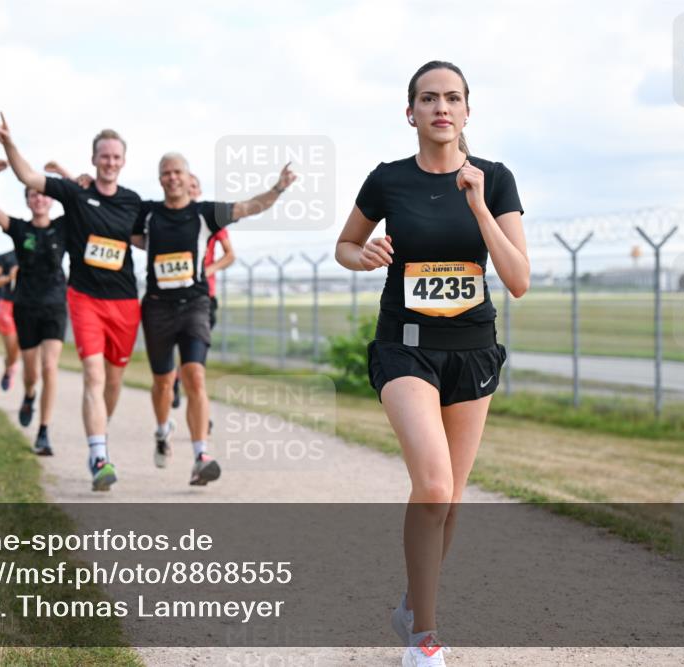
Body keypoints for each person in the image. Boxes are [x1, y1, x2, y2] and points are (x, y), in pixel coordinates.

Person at [334, 61, 528, 667]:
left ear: (467, 111)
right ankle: (425, 636)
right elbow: (344, 245)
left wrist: (477, 209)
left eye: (452, 98)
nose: (440, 107)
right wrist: (361, 255)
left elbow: (518, 278)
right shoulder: (388, 180)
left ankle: (412, 603)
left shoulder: (494, 180)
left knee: (453, 500)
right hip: (405, 344)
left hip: (472, 350)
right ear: (410, 112)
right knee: (434, 485)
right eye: (428, 98)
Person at [132, 153, 295, 486]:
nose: (172, 177)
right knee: (164, 383)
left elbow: (249, 207)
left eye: (178, 171)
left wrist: (277, 188)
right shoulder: (147, 214)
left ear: (188, 176)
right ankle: (163, 431)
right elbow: (121, 228)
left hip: (194, 304)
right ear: (160, 178)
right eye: (166, 173)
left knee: (195, 376)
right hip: (157, 308)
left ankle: (200, 455)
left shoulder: (205, 213)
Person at [0, 117, 139, 492]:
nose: (110, 162)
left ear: (123, 161)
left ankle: (100, 436)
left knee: (113, 380)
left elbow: (150, 239)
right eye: (103, 156)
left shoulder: (132, 202)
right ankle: (99, 457)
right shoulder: (75, 196)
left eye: (116, 157)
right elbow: (28, 176)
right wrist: (10, 144)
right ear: (93, 160)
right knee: (92, 374)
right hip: (83, 298)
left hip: (124, 301)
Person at [0, 158, 67, 455]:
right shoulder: (18, 229)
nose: (39, 198)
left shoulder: (62, 228)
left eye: (43, 194)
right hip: (26, 307)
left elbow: (82, 199)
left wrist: (63, 175)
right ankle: (29, 394)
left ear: (51, 200)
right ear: (28, 200)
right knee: (31, 373)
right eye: (33, 194)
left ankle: (44, 431)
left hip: (55, 305)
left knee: (49, 366)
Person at [171, 173, 236, 410]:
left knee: (196, 357)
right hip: (174, 295)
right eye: (188, 187)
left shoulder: (211, 218)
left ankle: (196, 404)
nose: (192, 190)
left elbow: (230, 255)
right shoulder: (172, 220)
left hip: (204, 297)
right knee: (179, 351)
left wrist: (206, 271)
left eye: (195, 186)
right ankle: (173, 380)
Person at [0, 248, 20, 392]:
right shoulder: (6, 257)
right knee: (12, 347)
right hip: (7, 305)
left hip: (29, 306)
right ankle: (9, 366)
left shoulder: (38, 255)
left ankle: (9, 367)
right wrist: (8, 278)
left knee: (19, 347)